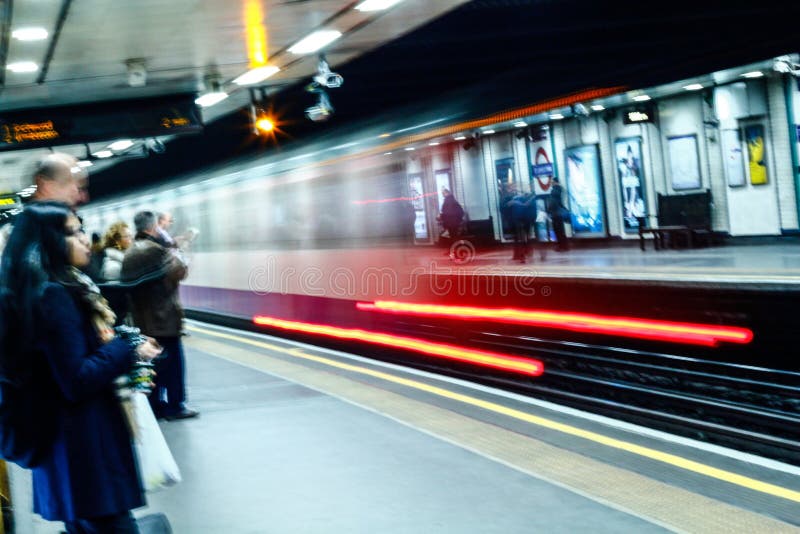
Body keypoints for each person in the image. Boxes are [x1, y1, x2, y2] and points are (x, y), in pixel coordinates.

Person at [0, 202, 161, 532]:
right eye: (73, 233)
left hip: (69, 455)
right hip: (85, 455)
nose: (86, 239)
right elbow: (76, 379)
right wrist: (126, 345)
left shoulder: (40, 289)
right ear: (49, 242)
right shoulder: (54, 295)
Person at [121, 211, 198, 421]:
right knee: (173, 365)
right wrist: (178, 246)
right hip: (163, 318)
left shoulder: (131, 251)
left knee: (152, 364)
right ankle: (175, 406)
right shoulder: (154, 250)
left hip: (143, 319)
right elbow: (179, 271)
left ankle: (156, 405)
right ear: (152, 228)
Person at [507, 191, 537, 263]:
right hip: (524, 222)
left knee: (521, 239)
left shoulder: (514, 202)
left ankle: (521, 256)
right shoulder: (526, 201)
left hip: (519, 223)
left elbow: (508, 207)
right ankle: (525, 254)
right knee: (525, 239)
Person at [547, 177, 569, 251]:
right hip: (557, 212)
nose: (551, 183)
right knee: (560, 230)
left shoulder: (556, 190)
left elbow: (553, 202)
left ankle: (561, 246)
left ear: (556, 182)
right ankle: (563, 246)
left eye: (552, 182)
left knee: (558, 230)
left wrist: (549, 210)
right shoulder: (558, 189)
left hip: (556, 213)